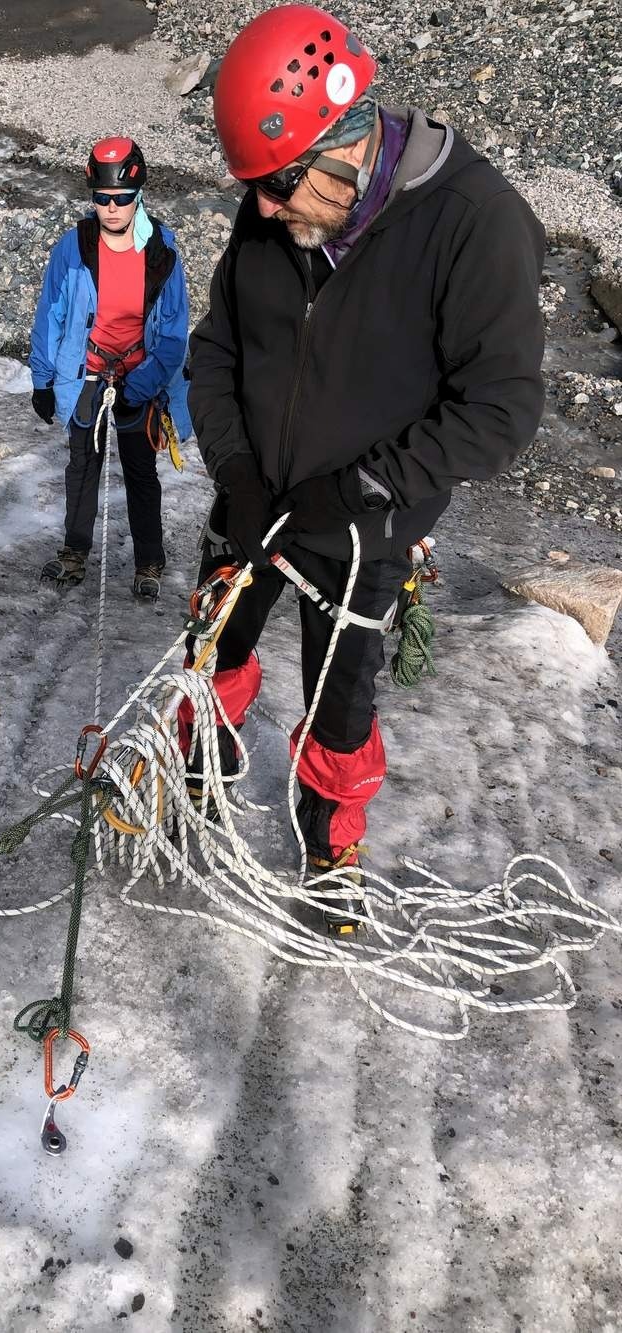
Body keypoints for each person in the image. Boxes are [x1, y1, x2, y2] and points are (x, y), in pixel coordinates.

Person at [187, 3, 545, 925]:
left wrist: (358, 491)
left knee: (341, 692)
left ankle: (329, 846)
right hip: (256, 494)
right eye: (254, 186)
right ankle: (201, 768)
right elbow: (219, 347)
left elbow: (500, 411)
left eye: (278, 184)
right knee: (214, 642)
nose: (261, 208)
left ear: (346, 143)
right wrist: (235, 467)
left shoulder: (476, 223)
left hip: (364, 521)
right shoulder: (280, 203)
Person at [30, 137, 192, 601]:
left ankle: (149, 561)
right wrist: (42, 379)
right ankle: (74, 552)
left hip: (140, 378)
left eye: (122, 199)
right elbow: (52, 314)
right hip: (87, 372)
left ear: (138, 195)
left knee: (141, 471)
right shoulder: (74, 246)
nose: (112, 208)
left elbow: (174, 334)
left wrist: (138, 388)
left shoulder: (161, 250)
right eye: (102, 199)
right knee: (82, 465)